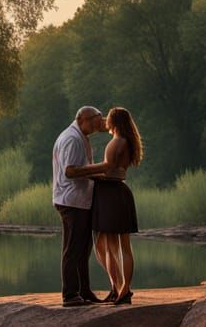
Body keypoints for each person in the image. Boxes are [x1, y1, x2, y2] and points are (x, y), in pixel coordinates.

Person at [72, 107, 142, 305]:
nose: (104, 121)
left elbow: (106, 169)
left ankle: (122, 290)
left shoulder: (116, 142)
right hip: (117, 192)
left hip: (111, 193)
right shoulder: (126, 141)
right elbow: (113, 170)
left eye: (107, 119)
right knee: (112, 245)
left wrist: (81, 172)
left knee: (113, 246)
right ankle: (119, 288)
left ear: (115, 122)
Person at [51, 106, 108, 306]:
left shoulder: (79, 136)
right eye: (97, 120)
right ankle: (70, 295)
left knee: (83, 249)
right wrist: (102, 168)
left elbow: (79, 170)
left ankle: (84, 291)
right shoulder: (72, 139)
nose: (100, 124)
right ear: (84, 119)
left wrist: (98, 176)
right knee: (73, 249)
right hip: (71, 201)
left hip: (79, 200)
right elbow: (71, 171)